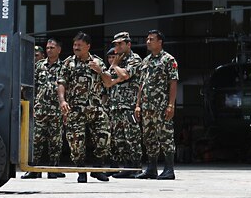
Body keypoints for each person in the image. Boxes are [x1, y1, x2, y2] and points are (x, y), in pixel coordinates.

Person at [57, 31, 114, 183]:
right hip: (75, 108)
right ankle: (81, 170)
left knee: (104, 136)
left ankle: (97, 168)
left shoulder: (98, 62)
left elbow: (108, 83)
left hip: (95, 107)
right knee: (76, 142)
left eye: (79, 45)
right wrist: (62, 101)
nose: (76, 47)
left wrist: (100, 71)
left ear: (88, 46)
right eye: (75, 45)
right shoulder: (68, 63)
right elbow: (62, 83)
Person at [134, 30, 179, 180]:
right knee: (149, 137)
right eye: (147, 39)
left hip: (161, 106)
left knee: (165, 137)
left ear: (160, 42)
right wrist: (138, 105)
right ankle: (151, 168)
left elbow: (173, 82)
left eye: (151, 39)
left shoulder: (168, 60)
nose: (147, 41)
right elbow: (142, 84)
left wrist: (171, 105)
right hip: (147, 108)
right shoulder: (145, 61)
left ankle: (169, 169)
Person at [24, 38, 65, 179]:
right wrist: (31, 104)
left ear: (59, 49)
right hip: (40, 108)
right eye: (47, 48)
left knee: (56, 141)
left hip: (56, 110)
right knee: (36, 140)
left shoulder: (64, 66)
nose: (49, 50)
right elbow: (32, 87)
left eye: (52, 48)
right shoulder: (39, 65)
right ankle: (34, 169)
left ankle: (53, 169)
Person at [106, 32, 142, 178]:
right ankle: (127, 167)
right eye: (115, 44)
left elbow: (126, 75)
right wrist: (117, 72)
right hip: (115, 105)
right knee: (119, 139)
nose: (117, 46)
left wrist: (115, 67)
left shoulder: (135, 59)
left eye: (120, 44)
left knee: (132, 137)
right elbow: (108, 82)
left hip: (129, 105)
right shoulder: (118, 61)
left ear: (128, 44)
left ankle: (136, 167)